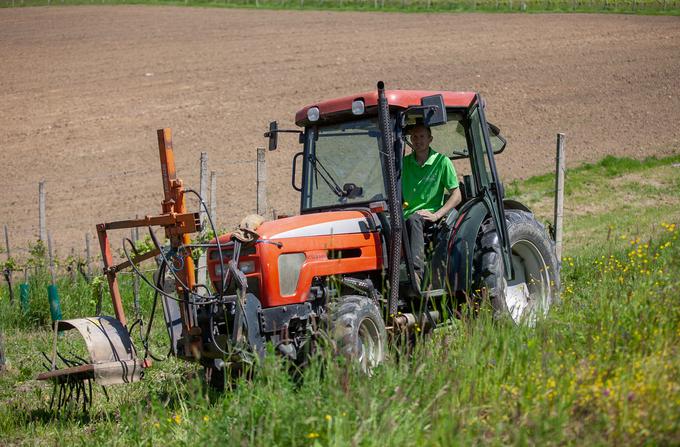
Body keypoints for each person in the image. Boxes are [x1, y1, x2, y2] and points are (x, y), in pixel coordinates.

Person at [402, 124, 461, 288]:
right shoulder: (404, 163)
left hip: (429, 217)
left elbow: (456, 195)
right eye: (414, 137)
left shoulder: (442, 162)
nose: (418, 140)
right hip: (405, 215)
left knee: (414, 219)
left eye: (421, 136)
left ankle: (416, 274)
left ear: (430, 139)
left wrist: (437, 215)